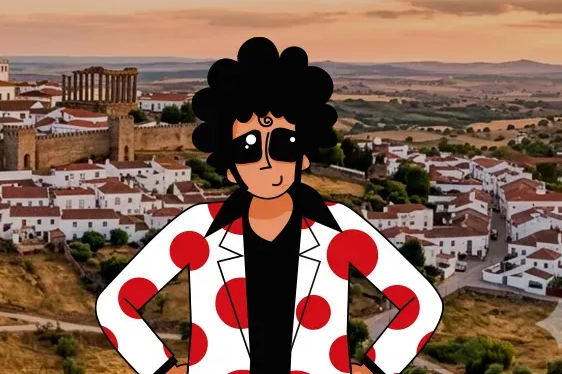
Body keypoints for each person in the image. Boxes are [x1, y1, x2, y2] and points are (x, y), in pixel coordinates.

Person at [95, 37, 440, 374]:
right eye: (247, 148)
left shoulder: (340, 228)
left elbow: (421, 303)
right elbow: (116, 305)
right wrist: (163, 368)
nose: (266, 161)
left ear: (303, 156)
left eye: (283, 144)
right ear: (230, 167)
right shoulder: (198, 229)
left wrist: (375, 368)